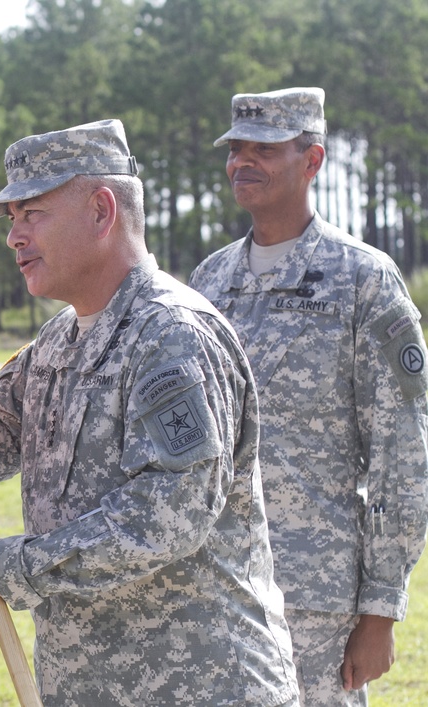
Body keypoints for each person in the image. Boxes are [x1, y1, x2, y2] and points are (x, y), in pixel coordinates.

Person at [0, 119, 299, 705]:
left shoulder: (171, 335)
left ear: (102, 211)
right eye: (12, 219)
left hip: (199, 684)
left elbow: (169, 514)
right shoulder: (58, 342)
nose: (13, 237)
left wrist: (18, 563)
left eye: (32, 214)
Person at [189, 87, 428, 706]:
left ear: (312, 160)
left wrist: (380, 610)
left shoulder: (363, 280)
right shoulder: (208, 283)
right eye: (236, 148)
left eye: (264, 149)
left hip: (317, 601)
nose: (243, 161)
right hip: (216, 590)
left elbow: (402, 456)